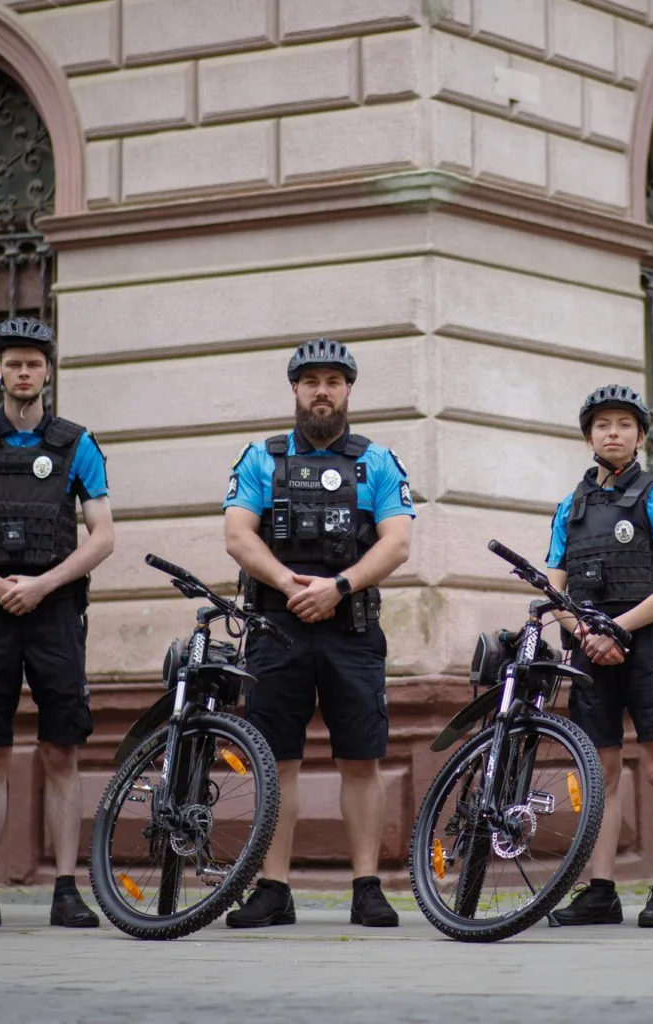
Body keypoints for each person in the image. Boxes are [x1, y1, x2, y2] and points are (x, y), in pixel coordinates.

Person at [0, 316, 113, 929]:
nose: (24, 371)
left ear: (49, 372)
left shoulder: (77, 444)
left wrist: (42, 585)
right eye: (14, 362)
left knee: (61, 750)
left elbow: (103, 537)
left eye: (34, 362)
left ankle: (66, 890)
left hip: (55, 612)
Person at [222, 338, 415, 928]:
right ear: (296, 390)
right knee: (276, 759)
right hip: (276, 628)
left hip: (351, 630)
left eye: (333, 380)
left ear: (349, 389)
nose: (322, 391)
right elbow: (237, 534)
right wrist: (289, 584)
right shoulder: (261, 457)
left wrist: (338, 587)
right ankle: (273, 889)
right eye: (312, 382)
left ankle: (366, 887)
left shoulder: (377, 461)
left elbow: (398, 542)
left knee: (361, 760)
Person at [544, 385, 653, 929]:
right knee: (599, 769)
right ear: (589, 435)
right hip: (591, 650)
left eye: (625, 425)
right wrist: (583, 631)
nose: (614, 432)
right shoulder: (571, 505)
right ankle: (599, 892)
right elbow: (552, 588)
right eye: (603, 424)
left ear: (640, 436)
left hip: (648, 644)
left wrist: (616, 629)